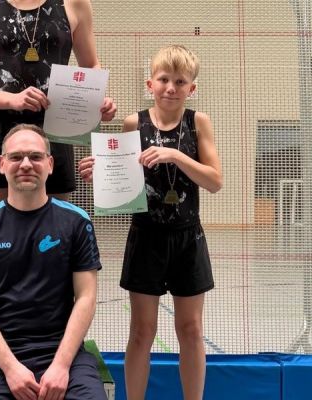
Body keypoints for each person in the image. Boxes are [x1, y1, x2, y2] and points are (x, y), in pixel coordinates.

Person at [78, 45, 222, 400]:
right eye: (163, 79)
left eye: (180, 81)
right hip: (146, 236)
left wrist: (175, 155)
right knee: (142, 331)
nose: (171, 87)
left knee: (191, 329)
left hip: (188, 238)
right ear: (150, 84)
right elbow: (122, 179)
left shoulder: (198, 123)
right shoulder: (134, 123)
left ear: (192, 88)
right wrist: (97, 172)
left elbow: (215, 181)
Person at [0, 123, 107, 400]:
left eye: (36, 156)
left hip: (63, 350)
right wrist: (10, 368)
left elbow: (86, 297)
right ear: (2, 164)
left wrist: (61, 366)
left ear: (50, 164)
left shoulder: (77, 221)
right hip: (1, 352)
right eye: (16, 157)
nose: (26, 164)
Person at [0, 0, 117, 206]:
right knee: (1, 220)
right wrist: (12, 99)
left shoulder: (74, 4)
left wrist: (96, 102)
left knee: (55, 220)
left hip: (57, 130)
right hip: (2, 129)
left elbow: (91, 65)